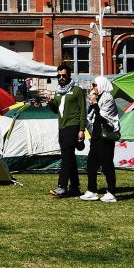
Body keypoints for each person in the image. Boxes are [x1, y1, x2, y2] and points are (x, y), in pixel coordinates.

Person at [48, 63, 86, 198]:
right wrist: (50, 103)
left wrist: (82, 129)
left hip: (73, 125)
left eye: (64, 75)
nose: (61, 78)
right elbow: (56, 110)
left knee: (66, 157)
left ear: (69, 75)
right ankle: (75, 187)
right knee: (70, 157)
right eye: (59, 76)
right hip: (62, 126)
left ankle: (62, 186)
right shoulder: (58, 91)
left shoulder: (77, 90)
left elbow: (83, 110)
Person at [80, 75, 120, 203]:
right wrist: (92, 103)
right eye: (92, 85)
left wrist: (95, 104)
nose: (93, 88)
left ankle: (112, 192)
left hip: (106, 135)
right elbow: (91, 116)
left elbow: (103, 117)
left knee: (107, 164)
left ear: (101, 85)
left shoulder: (108, 98)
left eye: (95, 85)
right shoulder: (99, 97)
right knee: (91, 163)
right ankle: (92, 190)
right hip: (96, 135)